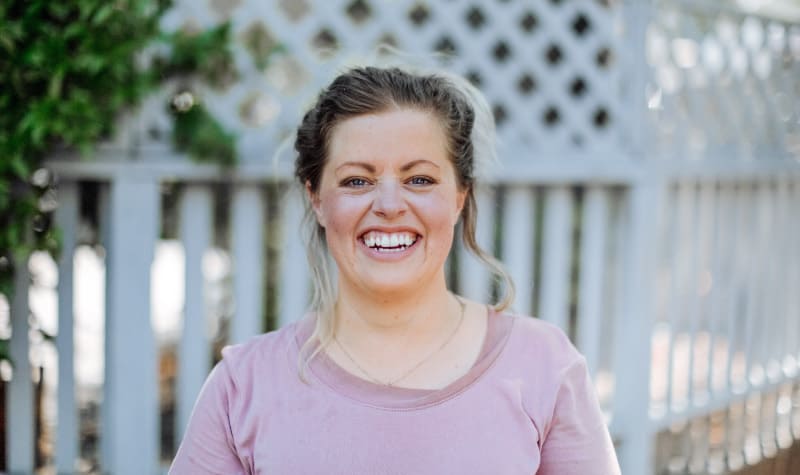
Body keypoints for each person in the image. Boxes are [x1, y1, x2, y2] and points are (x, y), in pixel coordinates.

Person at [169, 66, 621, 474]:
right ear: (317, 199)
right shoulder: (243, 387)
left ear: (459, 196)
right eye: (357, 181)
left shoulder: (544, 366)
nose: (388, 206)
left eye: (419, 179)